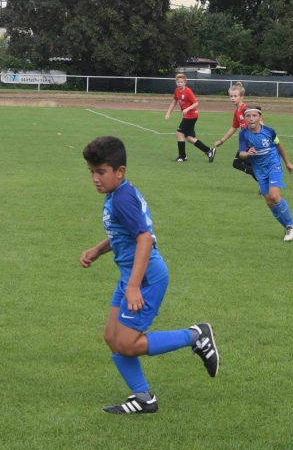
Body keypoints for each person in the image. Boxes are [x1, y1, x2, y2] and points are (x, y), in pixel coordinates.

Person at [79, 135, 219, 414]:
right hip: (131, 276)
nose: (95, 178)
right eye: (91, 172)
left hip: (145, 278)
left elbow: (144, 238)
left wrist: (133, 287)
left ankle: (196, 336)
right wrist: (98, 250)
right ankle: (144, 399)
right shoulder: (118, 193)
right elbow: (123, 233)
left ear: (120, 171)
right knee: (112, 336)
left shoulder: (122, 198)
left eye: (101, 172)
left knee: (127, 344)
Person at [235, 105, 293, 240]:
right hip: (259, 170)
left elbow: (279, 145)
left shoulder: (269, 131)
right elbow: (241, 153)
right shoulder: (243, 134)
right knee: (269, 202)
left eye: (254, 115)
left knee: (274, 196)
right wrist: (247, 153)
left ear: (260, 117)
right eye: (248, 116)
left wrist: (287, 162)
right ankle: (289, 227)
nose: (251, 118)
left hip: (273, 165)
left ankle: (291, 225)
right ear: (244, 118)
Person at [165, 72, 213, 162]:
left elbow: (196, 103)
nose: (179, 84)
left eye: (181, 82)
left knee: (179, 133)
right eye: (178, 82)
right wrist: (168, 112)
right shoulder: (176, 91)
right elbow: (174, 102)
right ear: (176, 82)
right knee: (189, 138)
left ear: (185, 82)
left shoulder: (188, 91)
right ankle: (209, 150)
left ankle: (182, 156)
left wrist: (187, 109)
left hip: (191, 115)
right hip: (187, 116)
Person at [209, 81, 249, 165]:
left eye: (235, 96)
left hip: (252, 141)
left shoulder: (246, 109)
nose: (232, 98)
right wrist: (221, 141)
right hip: (246, 140)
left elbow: (259, 123)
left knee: (238, 163)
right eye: (231, 96)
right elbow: (234, 127)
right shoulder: (237, 112)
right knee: (239, 163)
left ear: (241, 97)